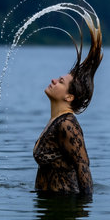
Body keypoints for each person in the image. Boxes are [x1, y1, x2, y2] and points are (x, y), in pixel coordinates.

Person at [33, 23, 103, 195]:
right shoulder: (56, 121)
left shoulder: (67, 125)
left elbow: (83, 167)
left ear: (69, 97)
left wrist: (82, 214)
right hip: (51, 210)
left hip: (66, 210)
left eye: (60, 81)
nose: (54, 80)